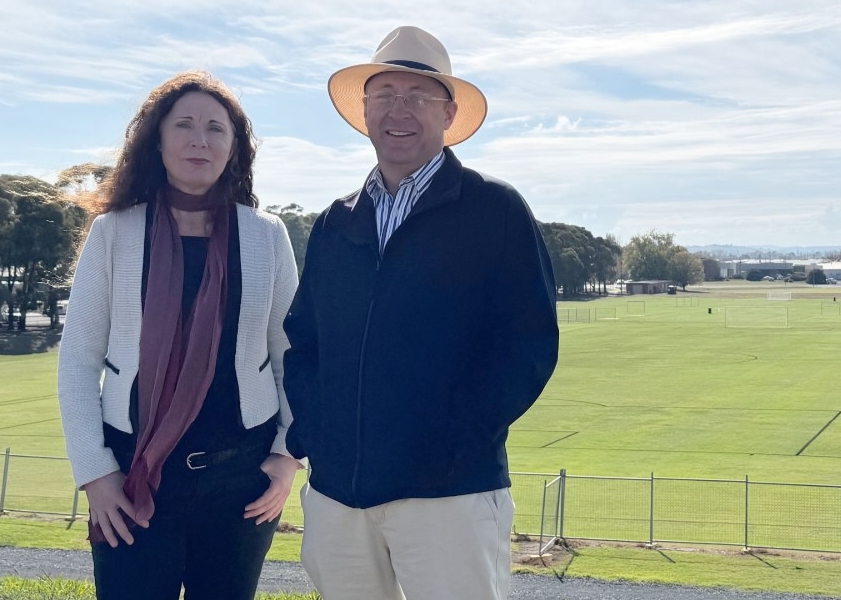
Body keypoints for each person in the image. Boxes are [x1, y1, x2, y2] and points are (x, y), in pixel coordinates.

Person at [283, 26, 559, 600]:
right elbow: (304, 343)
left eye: (418, 96)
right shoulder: (336, 223)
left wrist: (456, 443)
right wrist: (317, 435)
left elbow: (528, 345)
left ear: (448, 113)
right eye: (384, 95)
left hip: (449, 495)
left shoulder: (495, 210)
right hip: (338, 496)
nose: (399, 110)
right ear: (365, 110)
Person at [57, 70, 301, 600]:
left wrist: (287, 459)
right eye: (184, 125)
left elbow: (294, 358)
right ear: (158, 140)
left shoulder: (267, 236)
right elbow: (78, 359)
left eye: (216, 129)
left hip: (242, 482)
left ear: (234, 148)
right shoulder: (114, 232)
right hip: (130, 476)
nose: (199, 140)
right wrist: (95, 473)